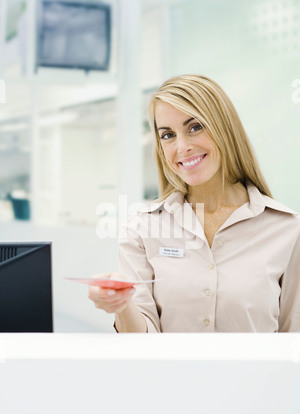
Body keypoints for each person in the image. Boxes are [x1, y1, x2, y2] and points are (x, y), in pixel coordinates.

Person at [88, 74, 300, 333]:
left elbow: (293, 339)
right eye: (167, 135)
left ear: (224, 128)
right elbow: (142, 341)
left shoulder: (287, 229)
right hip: (171, 375)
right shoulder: (141, 229)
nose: (183, 146)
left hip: (258, 375)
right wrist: (122, 304)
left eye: (195, 127)